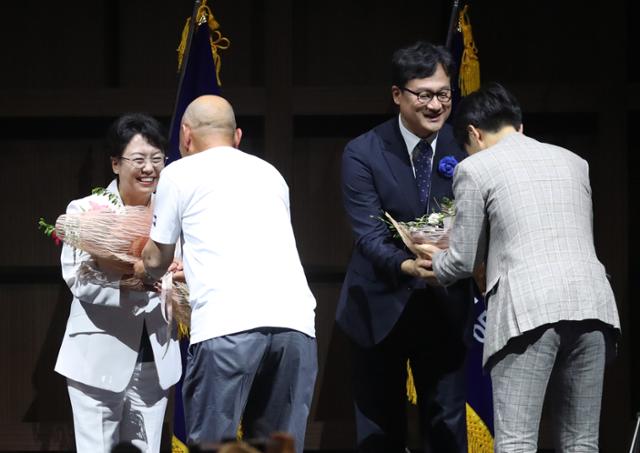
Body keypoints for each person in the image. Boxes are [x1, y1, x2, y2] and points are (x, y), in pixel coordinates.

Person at [417, 82, 621, 452]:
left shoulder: (475, 167)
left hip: (527, 311)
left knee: (516, 442)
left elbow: (462, 259)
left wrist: (432, 262)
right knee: (582, 442)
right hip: (594, 307)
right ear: (519, 126)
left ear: (473, 134)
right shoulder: (575, 162)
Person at [136, 95, 317, 453]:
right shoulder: (271, 173)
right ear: (236, 136)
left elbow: (157, 259)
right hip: (296, 329)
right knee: (278, 448)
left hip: (227, 328)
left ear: (185, 136)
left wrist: (138, 266)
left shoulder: (178, 172)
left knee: (214, 448)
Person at [337, 40, 473, 453]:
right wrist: (408, 266)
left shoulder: (466, 146)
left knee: (446, 424)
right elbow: (369, 234)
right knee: (380, 429)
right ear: (398, 95)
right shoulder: (363, 152)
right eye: (424, 95)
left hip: (446, 305)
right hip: (379, 304)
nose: (436, 105)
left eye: (444, 94)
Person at [54, 113, 181, 453]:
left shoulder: (171, 214)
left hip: (154, 357)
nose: (149, 168)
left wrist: (179, 277)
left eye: (157, 159)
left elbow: (184, 273)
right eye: (138, 160)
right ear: (115, 163)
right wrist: (130, 282)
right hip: (96, 358)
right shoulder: (87, 211)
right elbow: (77, 278)